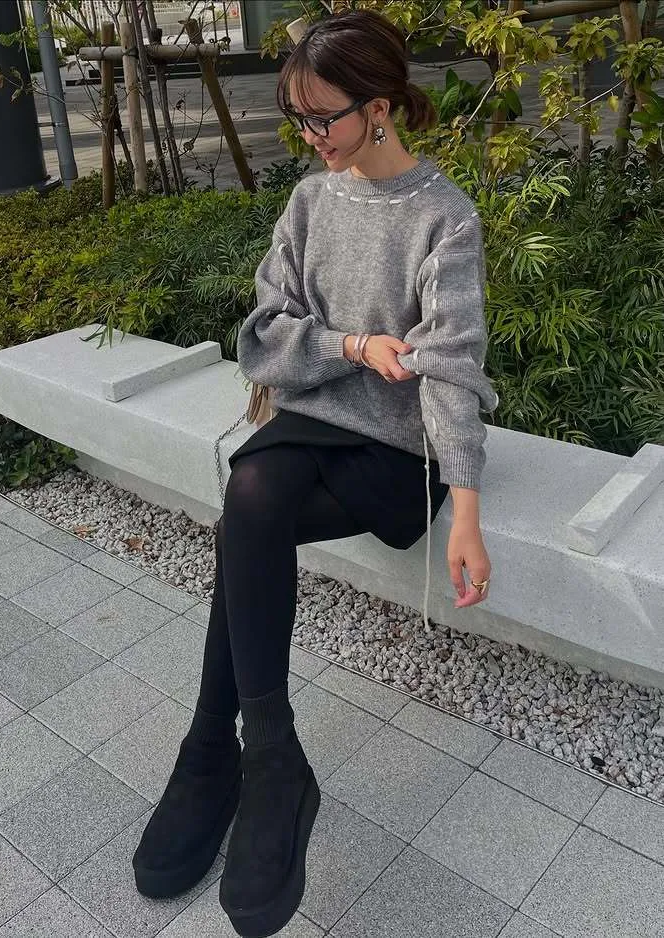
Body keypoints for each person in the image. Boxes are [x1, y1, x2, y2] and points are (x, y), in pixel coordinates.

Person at [132, 9, 499, 937]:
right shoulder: (309, 202)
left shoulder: (445, 217)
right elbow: (263, 337)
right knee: (251, 496)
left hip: (396, 451)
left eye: (322, 117)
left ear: (379, 107)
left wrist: (465, 510)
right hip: (312, 425)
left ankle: (213, 752)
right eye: (297, 117)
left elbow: (451, 370)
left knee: (245, 515)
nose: (308, 136)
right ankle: (267, 756)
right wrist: (355, 345)